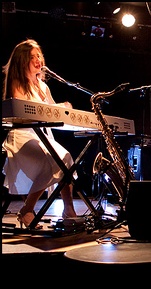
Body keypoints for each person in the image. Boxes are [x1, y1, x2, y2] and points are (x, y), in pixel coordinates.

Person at [2, 39, 77, 228]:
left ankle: (68, 209)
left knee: (66, 158)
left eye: (39, 56)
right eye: (32, 57)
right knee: (46, 161)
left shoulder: (43, 86)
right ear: (22, 61)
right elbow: (23, 110)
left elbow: (51, 111)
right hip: (22, 136)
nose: (38, 60)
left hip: (41, 137)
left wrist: (64, 108)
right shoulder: (18, 82)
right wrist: (53, 108)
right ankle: (27, 209)